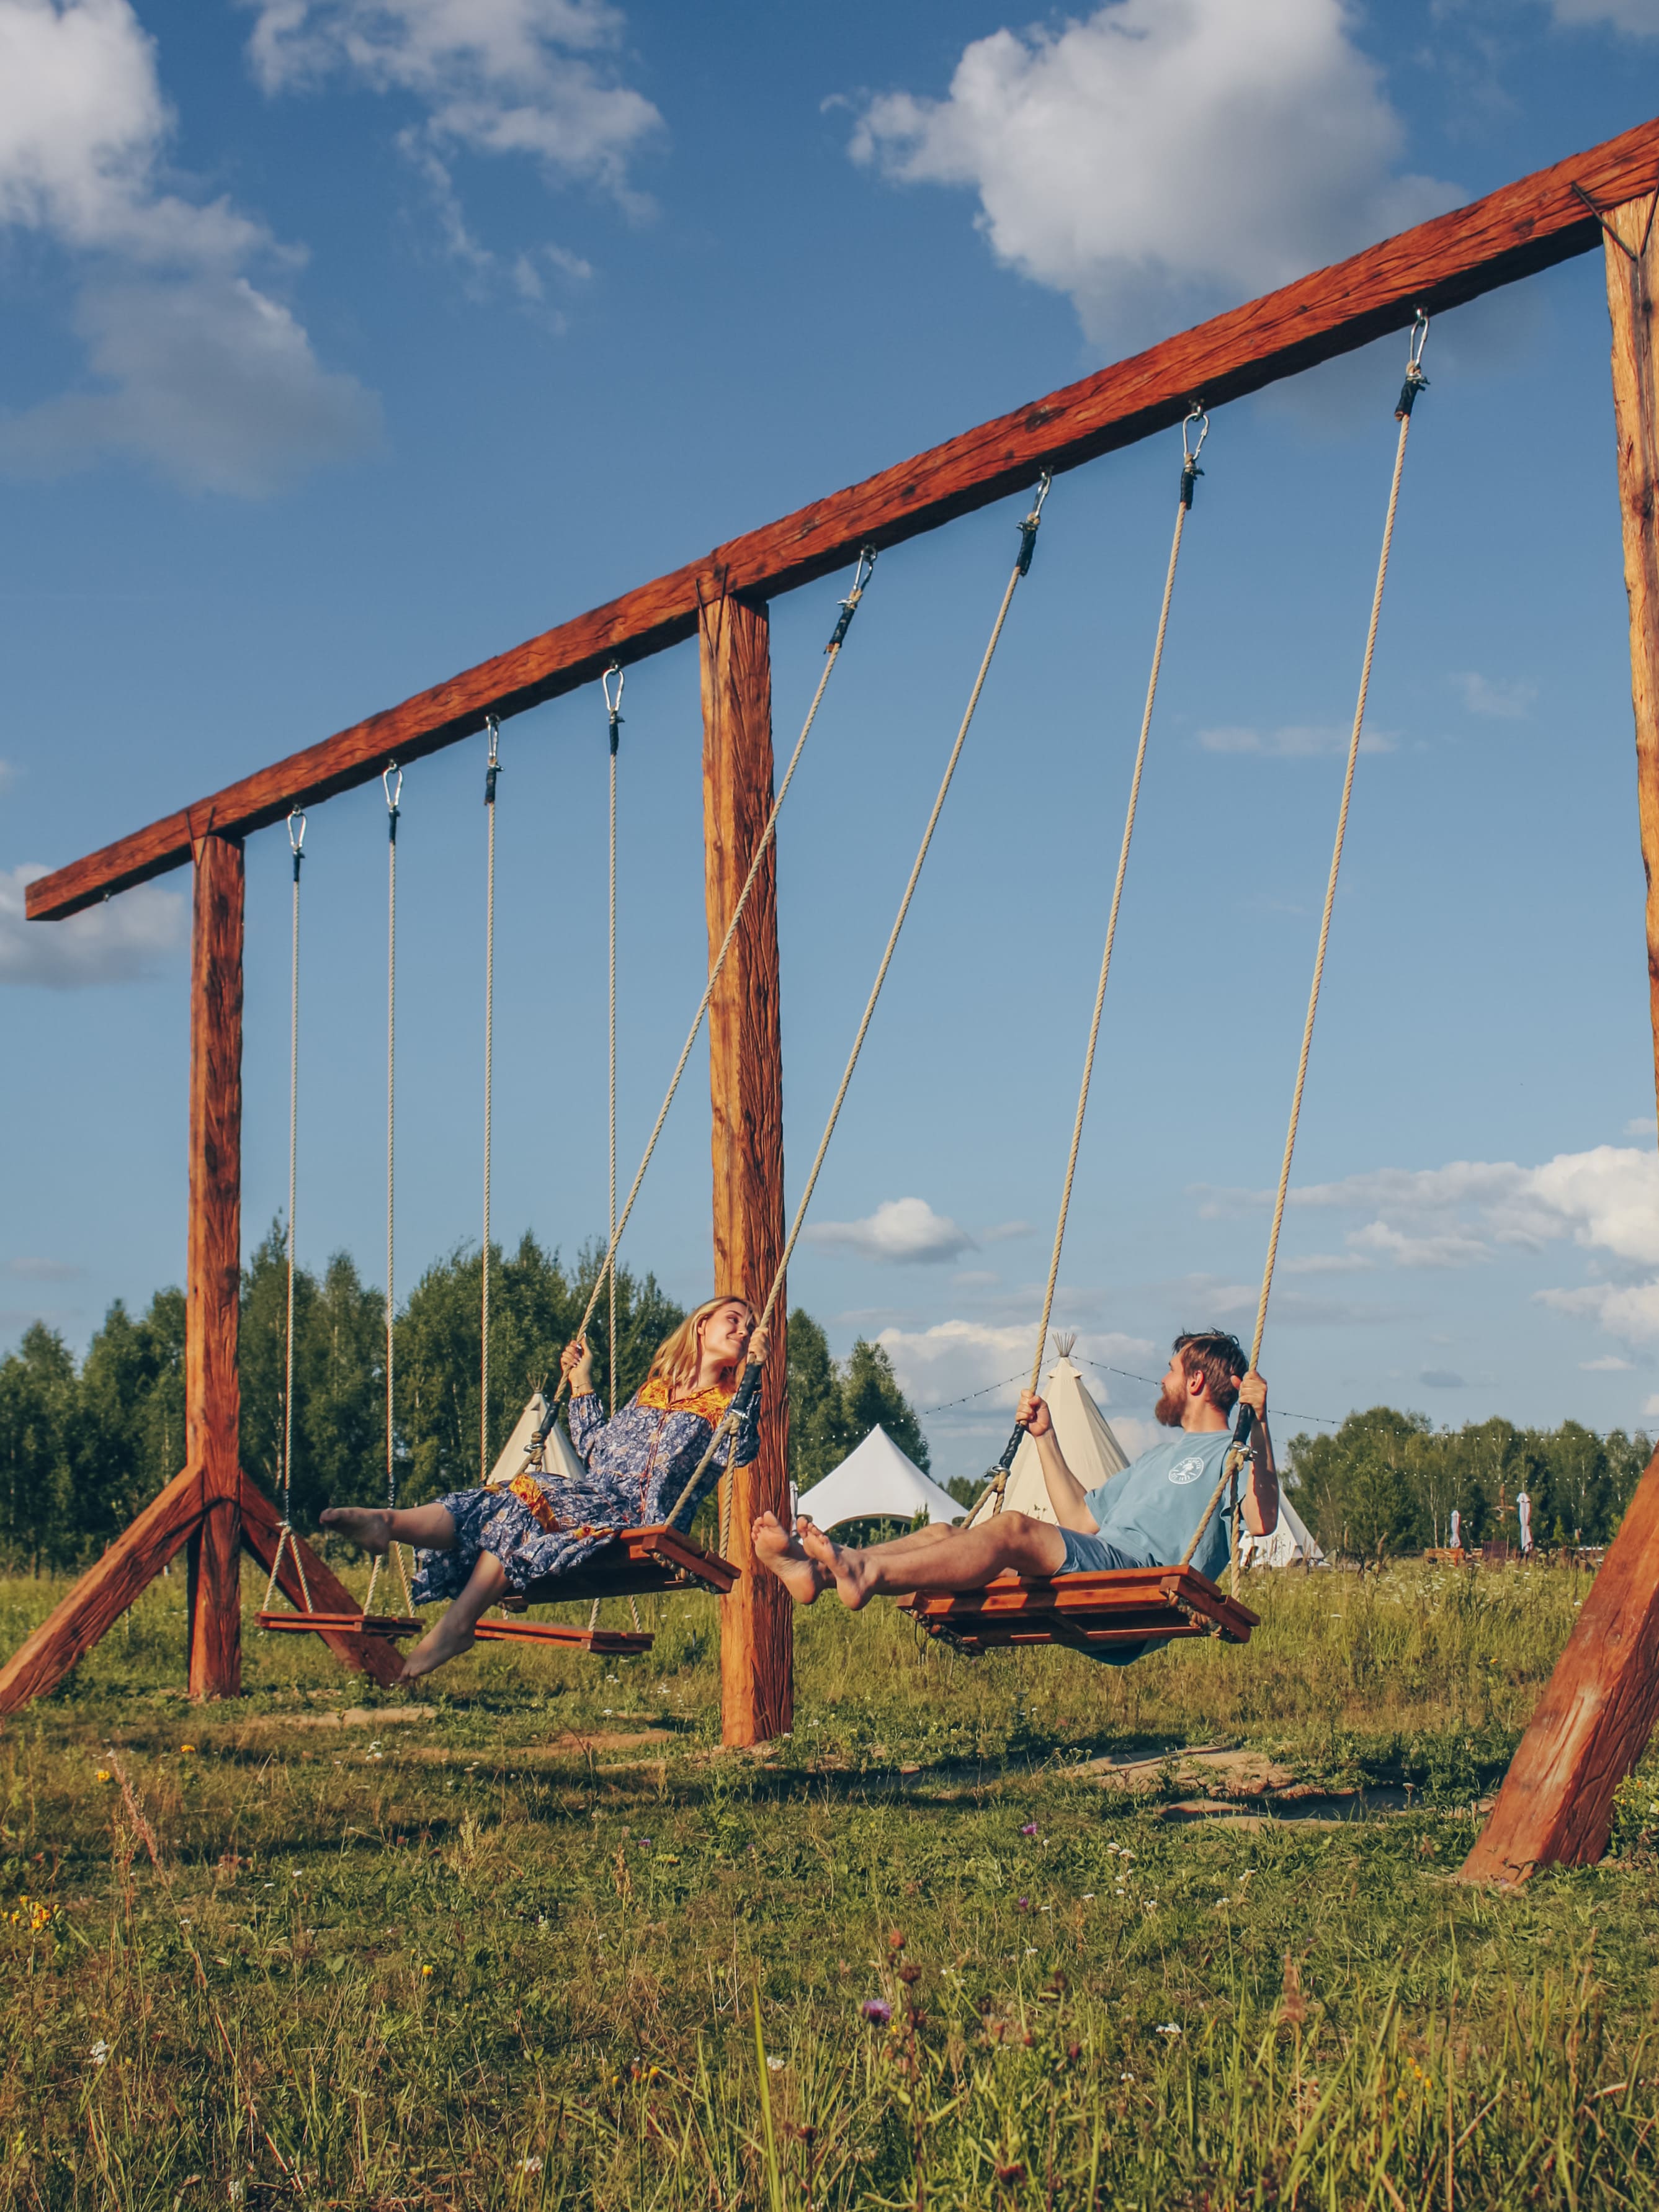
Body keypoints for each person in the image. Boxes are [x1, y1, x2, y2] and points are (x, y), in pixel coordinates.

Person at [321, 1295, 767, 1680]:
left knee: (532, 1492)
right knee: (504, 1495)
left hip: (636, 1516)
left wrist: (754, 1378)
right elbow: (597, 1447)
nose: (743, 1330)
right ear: (703, 1323)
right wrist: (581, 1381)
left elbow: (741, 1451)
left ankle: (458, 1621)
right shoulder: (654, 1388)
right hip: (594, 1496)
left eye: (750, 1327)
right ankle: (388, 1522)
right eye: (734, 1319)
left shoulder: (728, 1405)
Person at [754, 1330, 1277, 1627]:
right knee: (944, 1535)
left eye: (1169, 1369)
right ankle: (819, 1574)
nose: (1161, 1380)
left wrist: (1261, 1426)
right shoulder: (1151, 1461)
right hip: (1105, 1563)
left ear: (1195, 1380)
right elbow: (1079, 1517)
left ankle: (863, 1571)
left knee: (1010, 1528)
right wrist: (1045, 1437)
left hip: (1143, 1577)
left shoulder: (1231, 1456)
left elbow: (1262, 1520)